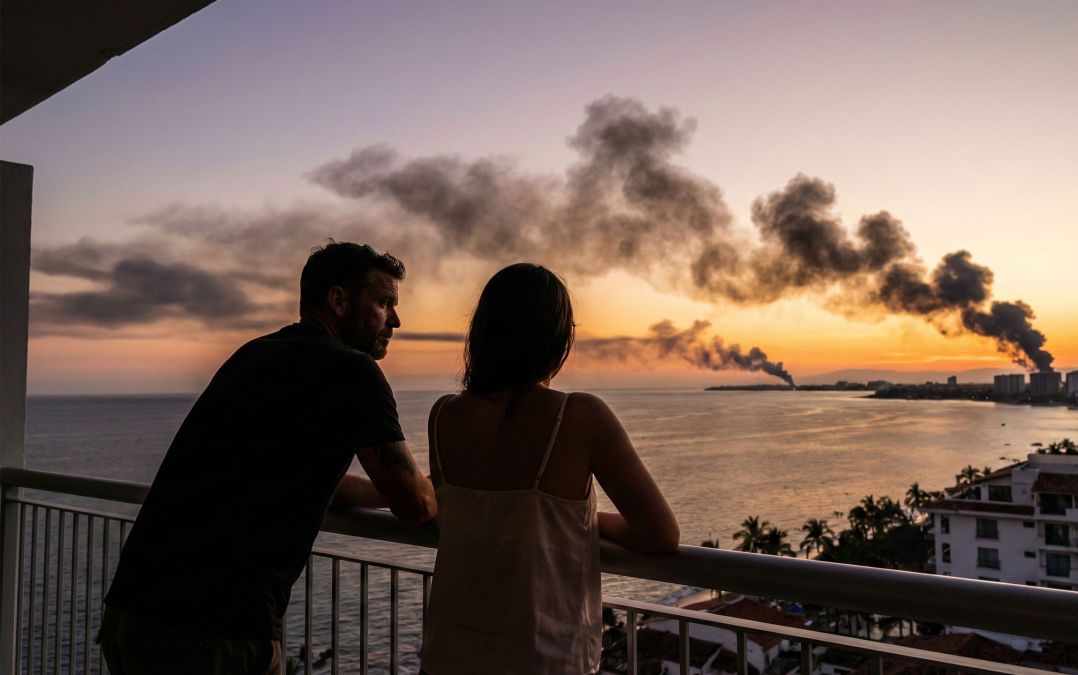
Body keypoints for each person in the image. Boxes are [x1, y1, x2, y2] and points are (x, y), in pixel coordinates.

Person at [101, 241, 437, 675]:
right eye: (384, 302)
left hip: (132, 611)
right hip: (213, 633)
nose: (395, 319)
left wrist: (377, 493)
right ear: (338, 300)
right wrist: (445, 489)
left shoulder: (254, 354)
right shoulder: (353, 371)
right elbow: (417, 505)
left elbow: (282, 471)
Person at [419, 262, 679, 675]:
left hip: (449, 653)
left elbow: (456, 519)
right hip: (543, 658)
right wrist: (585, 521)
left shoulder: (443, 416)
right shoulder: (579, 415)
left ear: (483, 331)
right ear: (557, 339)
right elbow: (660, 534)